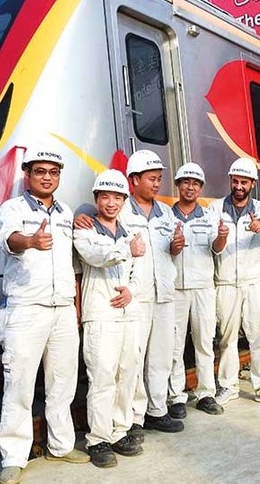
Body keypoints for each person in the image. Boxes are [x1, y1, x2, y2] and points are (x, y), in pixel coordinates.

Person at [0, 145, 89, 484]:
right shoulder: (12, 208)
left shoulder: (65, 213)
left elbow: (73, 265)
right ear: (27, 175)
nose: (47, 177)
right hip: (26, 308)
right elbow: (10, 240)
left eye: (53, 172)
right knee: (18, 384)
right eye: (40, 171)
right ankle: (13, 457)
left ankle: (61, 446)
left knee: (62, 383)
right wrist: (31, 241)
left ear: (59, 176)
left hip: (62, 308)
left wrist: (75, 307)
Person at [75, 151, 181, 435]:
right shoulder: (121, 210)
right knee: (131, 362)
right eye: (151, 178)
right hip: (133, 298)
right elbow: (97, 217)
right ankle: (134, 418)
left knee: (159, 356)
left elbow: (164, 249)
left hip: (161, 291)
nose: (157, 183)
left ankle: (157, 410)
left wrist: (176, 247)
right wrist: (79, 216)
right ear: (133, 181)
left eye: (159, 178)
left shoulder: (166, 213)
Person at [73, 169, 147, 468]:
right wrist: (127, 249)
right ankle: (98, 439)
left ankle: (120, 431)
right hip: (100, 314)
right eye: (105, 197)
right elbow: (95, 255)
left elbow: (140, 274)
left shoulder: (130, 234)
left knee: (127, 374)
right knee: (102, 378)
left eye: (117, 197)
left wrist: (131, 291)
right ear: (96, 199)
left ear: (124, 200)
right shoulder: (84, 231)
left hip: (128, 314)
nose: (111, 203)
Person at [209, 157, 260, 408]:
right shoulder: (215, 208)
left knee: (258, 335)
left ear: (253, 183)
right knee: (227, 338)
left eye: (244, 182)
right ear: (230, 181)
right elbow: (214, 248)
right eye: (235, 181)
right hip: (225, 282)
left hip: (253, 281)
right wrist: (221, 237)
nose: (239, 186)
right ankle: (228, 387)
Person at [167, 163, 227, 418]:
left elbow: (217, 248)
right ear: (178, 185)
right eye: (185, 182)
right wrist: (173, 246)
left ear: (200, 188)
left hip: (203, 287)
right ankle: (176, 397)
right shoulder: (165, 216)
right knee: (175, 346)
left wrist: (222, 236)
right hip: (176, 289)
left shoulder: (210, 216)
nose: (190, 187)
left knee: (204, 342)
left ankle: (206, 394)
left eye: (195, 183)